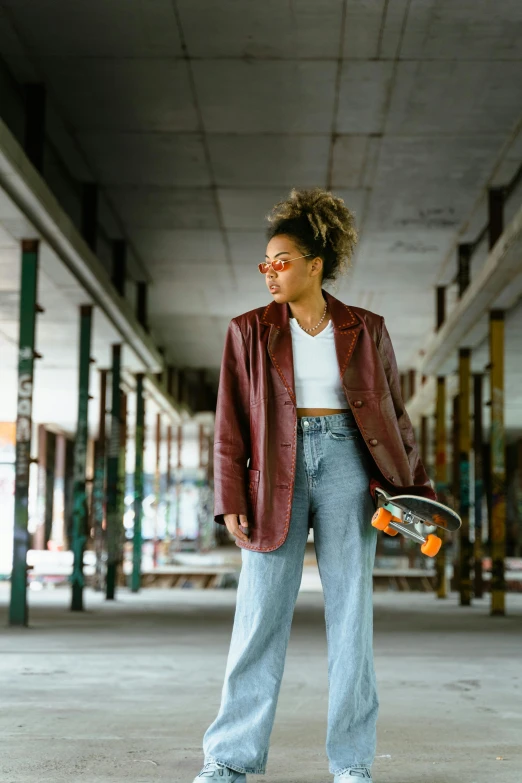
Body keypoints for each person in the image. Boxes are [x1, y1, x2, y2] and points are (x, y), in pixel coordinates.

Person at [192, 188, 435, 783]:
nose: (270, 273)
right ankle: (229, 760)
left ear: (315, 264)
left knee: (352, 617)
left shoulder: (365, 328)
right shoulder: (247, 331)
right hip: (274, 470)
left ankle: (352, 764)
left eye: (282, 261)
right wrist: (229, 499)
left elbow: (394, 415)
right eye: (265, 264)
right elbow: (231, 420)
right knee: (258, 616)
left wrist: (419, 494)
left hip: (349, 463)